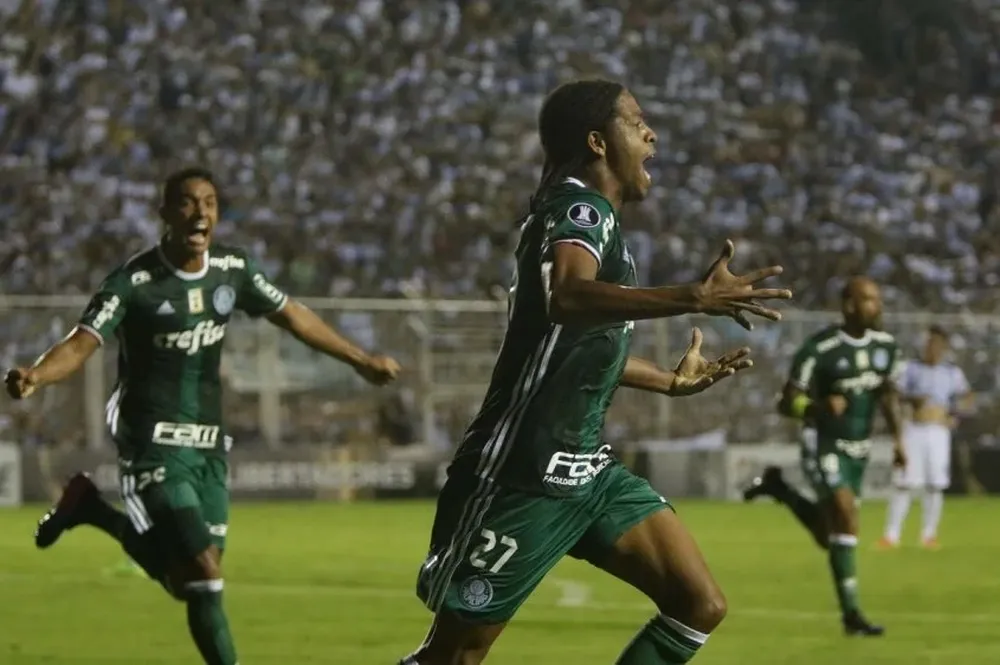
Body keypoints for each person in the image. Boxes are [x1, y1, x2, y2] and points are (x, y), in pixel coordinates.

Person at [397, 79, 792, 665]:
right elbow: (571, 298)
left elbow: (573, 346)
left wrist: (668, 379)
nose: (650, 133)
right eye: (636, 123)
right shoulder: (579, 208)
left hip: (585, 470)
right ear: (598, 141)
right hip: (521, 474)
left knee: (698, 602)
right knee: (454, 657)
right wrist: (692, 296)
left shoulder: (595, 218)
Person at [5, 167, 401, 665]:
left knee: (189, 582)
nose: (201, 213)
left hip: (209, 442)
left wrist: (360, 361)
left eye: (210, 203)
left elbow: (293, 314)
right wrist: (37, 375)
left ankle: (91, 509)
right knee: (205, 573)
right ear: (167, 213)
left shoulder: (233, 270)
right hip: (151, 439)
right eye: (189, 203)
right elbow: (83, 341)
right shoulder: (135, 282)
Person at [743, 276, 905, 637]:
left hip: (859, 449)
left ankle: (780, 490)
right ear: (849, 305)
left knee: (830, 534)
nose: (876, 307)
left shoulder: (887, 348)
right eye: (868, 300)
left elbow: (889, 395)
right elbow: (786, 402)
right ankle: (852, 616)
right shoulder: (821, 348)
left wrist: (899, 440)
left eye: (877, 300)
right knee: (846, 518)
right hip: (823, 442)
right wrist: (816, 406)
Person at [879, 325, 973, 549]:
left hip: (939, 432)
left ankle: (928, 534)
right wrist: (913, 399)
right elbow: (895, 395)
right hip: (914, 428)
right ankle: (891, 535)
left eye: (936, 345)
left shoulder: (952, 372)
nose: (932, 348)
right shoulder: (911, 368)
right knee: (903, 481)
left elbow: (967, 397)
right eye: (929, 343)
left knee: (935, 484)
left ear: (943, 348)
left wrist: (954, 416)